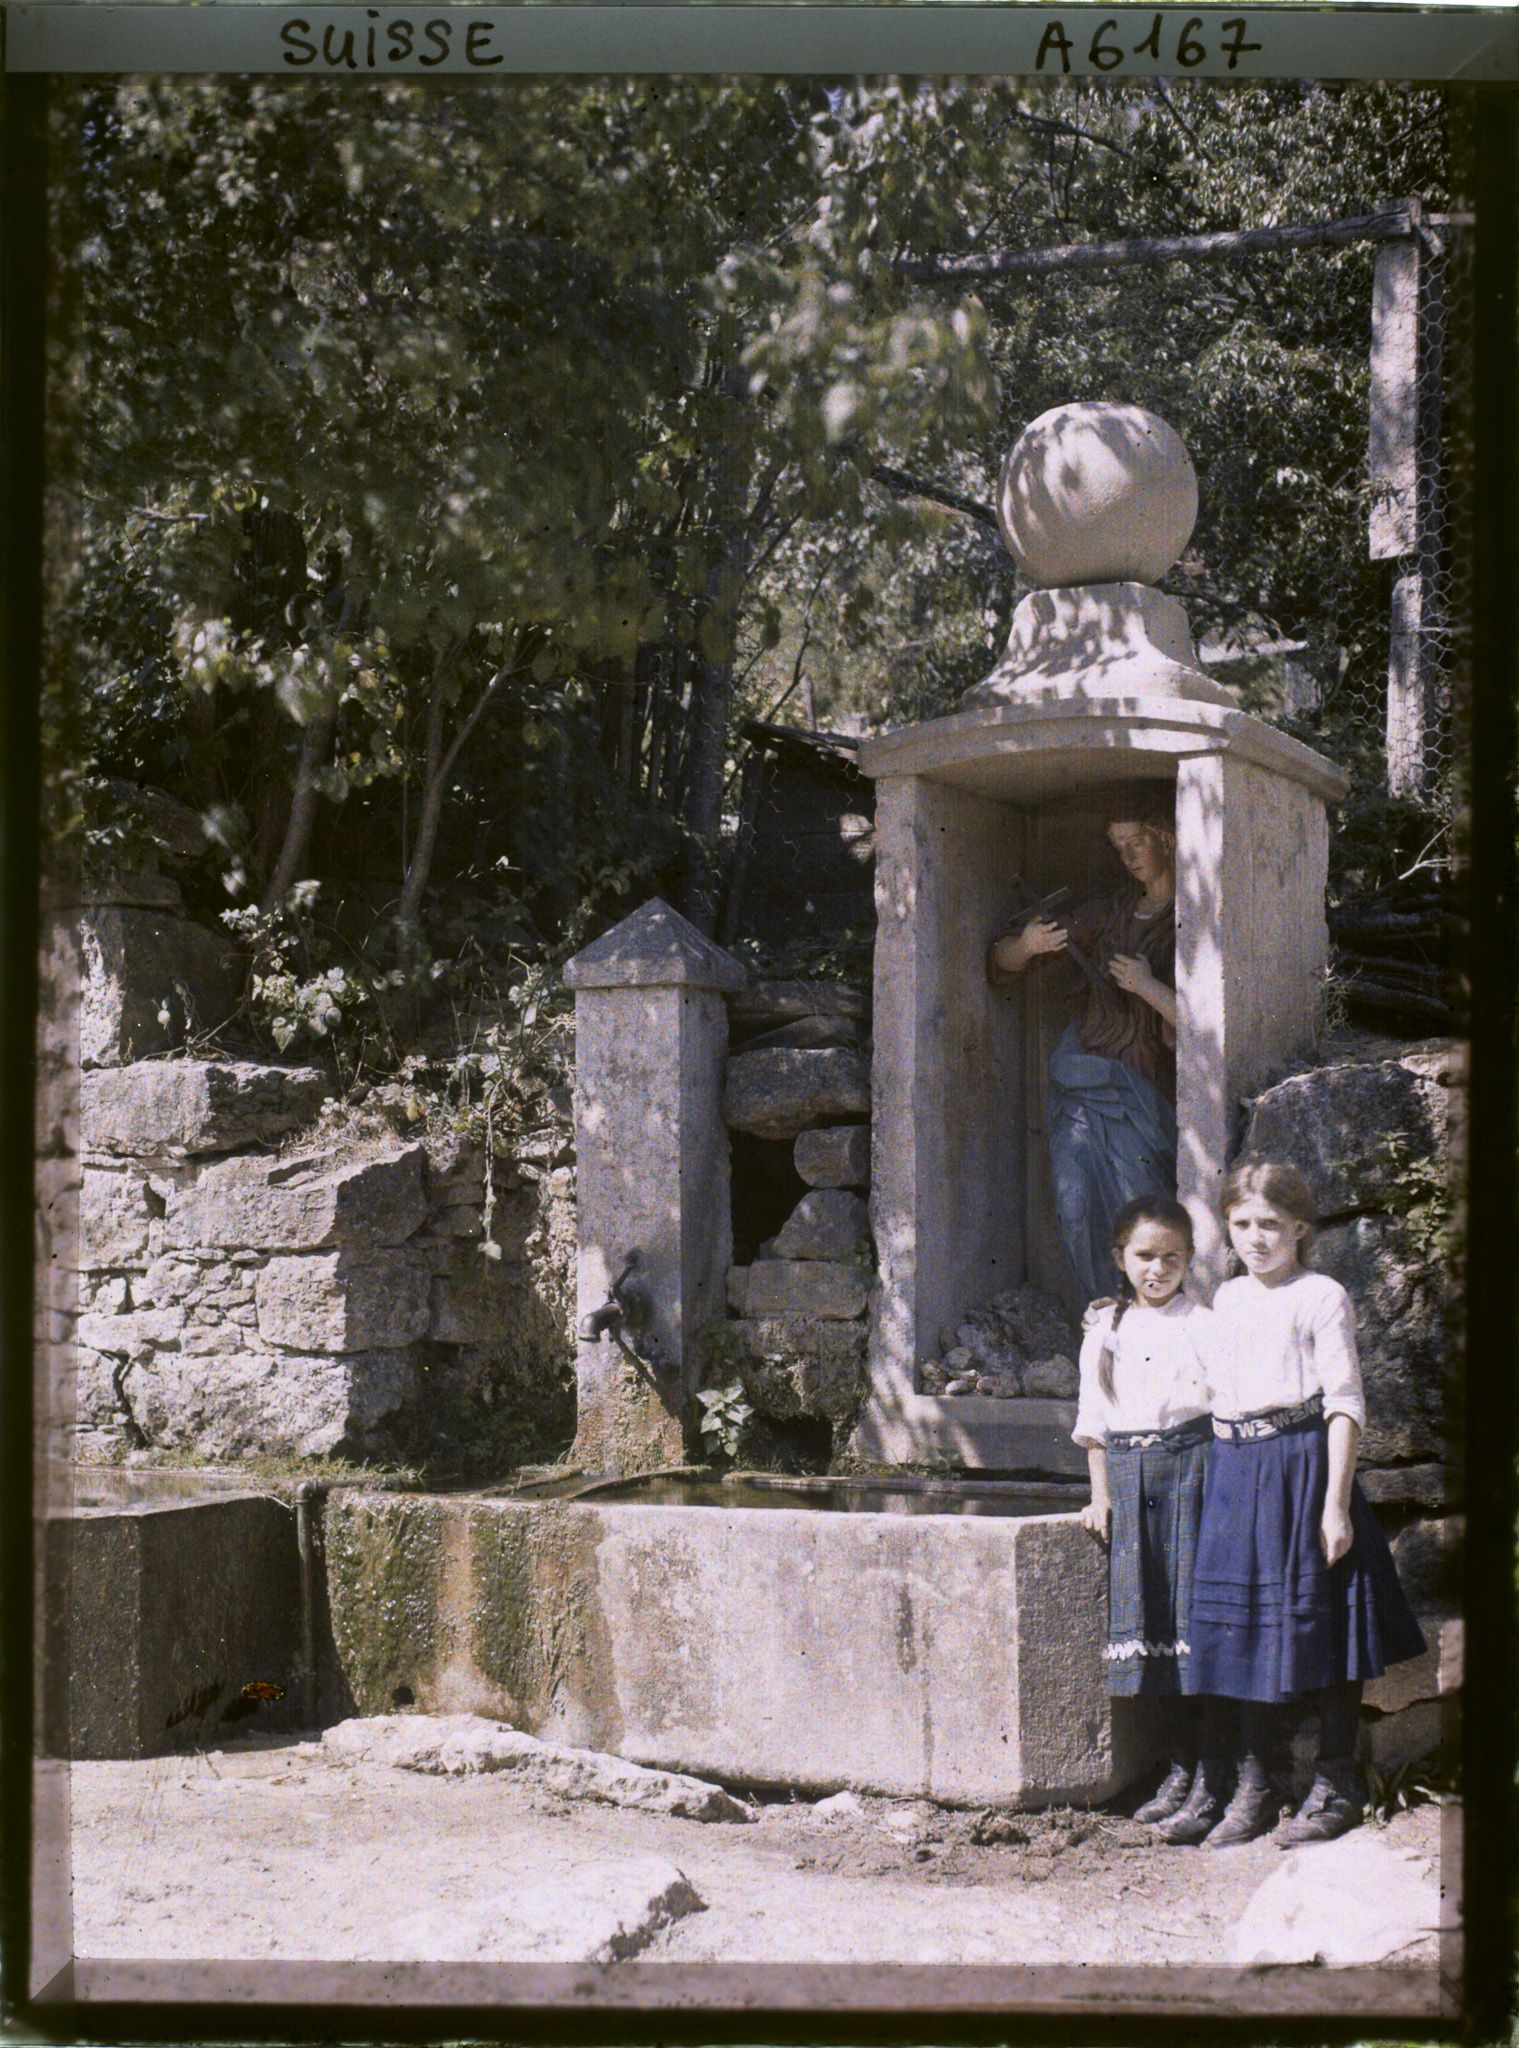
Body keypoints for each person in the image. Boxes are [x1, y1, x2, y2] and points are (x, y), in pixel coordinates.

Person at [1158, 1160, 1428, 1849]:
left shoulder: (1320, 1295)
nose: (1254, 1238)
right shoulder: (1227, 1300)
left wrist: (1333, 1505)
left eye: (1270, 1225)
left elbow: (1343, 1405)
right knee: (1237, 1625)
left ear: (1300, 1228)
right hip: (1236, 1469)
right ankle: (1255, 1783)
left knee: (1325, 1624)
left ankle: (1336, 1783)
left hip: (1303, 1467)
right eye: (1241, 1224)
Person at [987, 795, 1178, 1302]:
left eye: (1137, 842)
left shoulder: (1192, 916)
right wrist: (1027, 946)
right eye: (1119, 847)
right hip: (1082, 1074)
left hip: (1143, 1083)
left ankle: (1152, 1314)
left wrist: (1147, 986)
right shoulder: (1108, 913)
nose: (1129, 856)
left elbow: (1208, 1021)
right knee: (1075, 1204)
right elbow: (1004, 962)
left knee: (1142, 1205)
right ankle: (1104, 1307)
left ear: (1168, 840)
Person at [1073, 1195, 1221, 1827]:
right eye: (1144, 1257)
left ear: (1189, 1260)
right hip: (1130, 1481)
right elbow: (1095, 1422)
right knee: (1151, 1628)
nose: (1157, 1270)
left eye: (1172, 1258)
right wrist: (1101, 1496)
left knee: (1191, 1626)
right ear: (1120, 1258)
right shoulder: (1106, 1330)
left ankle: (1211, 1778)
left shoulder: (1204, 1322)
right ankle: (1175, 1769)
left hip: (1190, 1473)